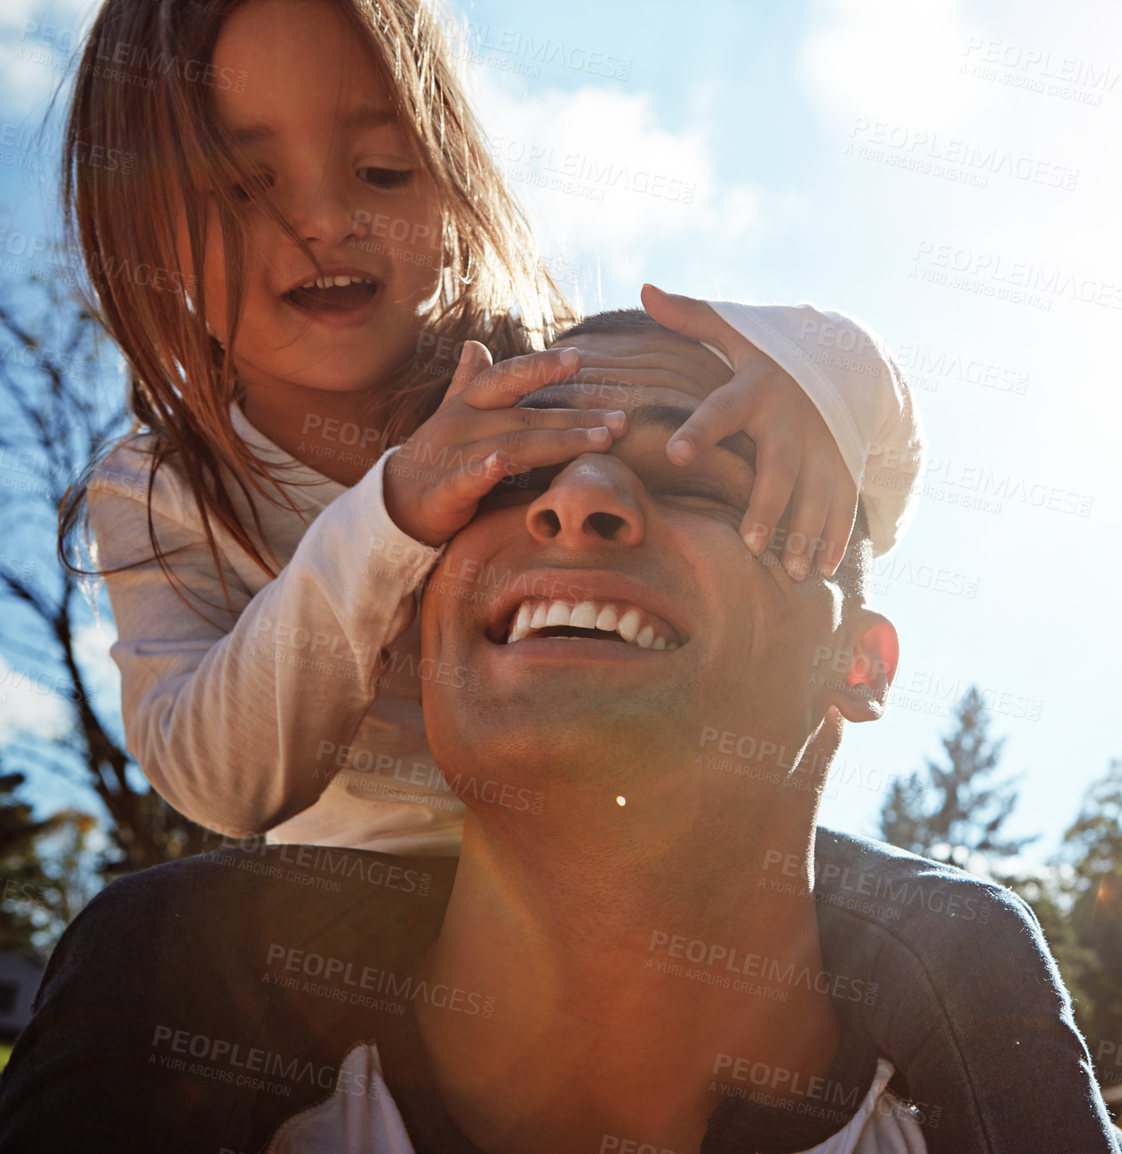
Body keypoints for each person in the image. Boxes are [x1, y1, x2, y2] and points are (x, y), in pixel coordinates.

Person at [0, 314, 1122, 1153]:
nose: (577, 496)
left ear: (855, 660)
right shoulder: (159, 1055)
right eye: (510, 476)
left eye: (700, 476)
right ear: (411, 618)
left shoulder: (1004, 1090)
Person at [64, 0, 920, 854]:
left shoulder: (540, 383)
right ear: (138, 223)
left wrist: (821, 381)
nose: (326, 220)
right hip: (349, 908)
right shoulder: (158, 490)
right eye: (245, 188)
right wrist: (390, 514)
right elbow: (215, 780)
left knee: (940, 922)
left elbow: (875, 494)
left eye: (383, 171)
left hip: (634, 866)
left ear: (450, 174)